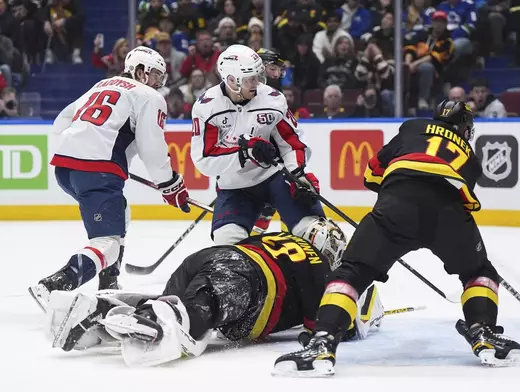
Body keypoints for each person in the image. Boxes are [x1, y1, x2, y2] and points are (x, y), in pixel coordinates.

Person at [273, 100, 520, 377]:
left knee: (351, 273)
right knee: (479, 271)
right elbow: (467, 202)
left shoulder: (412, 128)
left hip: (395, 209)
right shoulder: (471, 158)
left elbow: (372, 174)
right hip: (447, 215)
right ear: (465, 128)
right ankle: (482, 329)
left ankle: (322, 339)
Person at [46, 223, 384, 368]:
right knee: (192, 316)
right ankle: (158, 323)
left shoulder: (281, 236)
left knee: (176, 302)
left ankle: (103, 310)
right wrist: (365, 308)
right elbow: (324, 326)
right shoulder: (318, 267)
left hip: (210, 258)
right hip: (247, 278)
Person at [28, 47, 191, 311]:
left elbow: (61, 122)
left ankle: (109, 283)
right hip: (97, 170)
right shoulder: (148, 95)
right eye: (157, 75)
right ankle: (53, 286)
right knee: (108, 245)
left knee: (120, 211)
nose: (160, 83)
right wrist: (169, 183)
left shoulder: (101, 85)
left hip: (66, 169)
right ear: (140, 71)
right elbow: (152, 147)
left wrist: (86, 146)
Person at [190, 44, 326, 246]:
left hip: (275, 177)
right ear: (231, 80)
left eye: (257, 76)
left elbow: (293, 145)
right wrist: (245, 152)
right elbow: (205, 159)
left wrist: (298, 174)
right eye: (249, 79)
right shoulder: (207, 107)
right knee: (228, 246)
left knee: (318, 234)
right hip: (236, 186)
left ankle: (339, 277)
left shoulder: (272, 99)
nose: (257, 83)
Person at [253, 47, 287, 234]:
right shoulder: (244, 94)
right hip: (248, 168)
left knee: (287, 200)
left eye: (280, 69)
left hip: (272, 164)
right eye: (274, 68)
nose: (278, 74)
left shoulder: (276, 96)